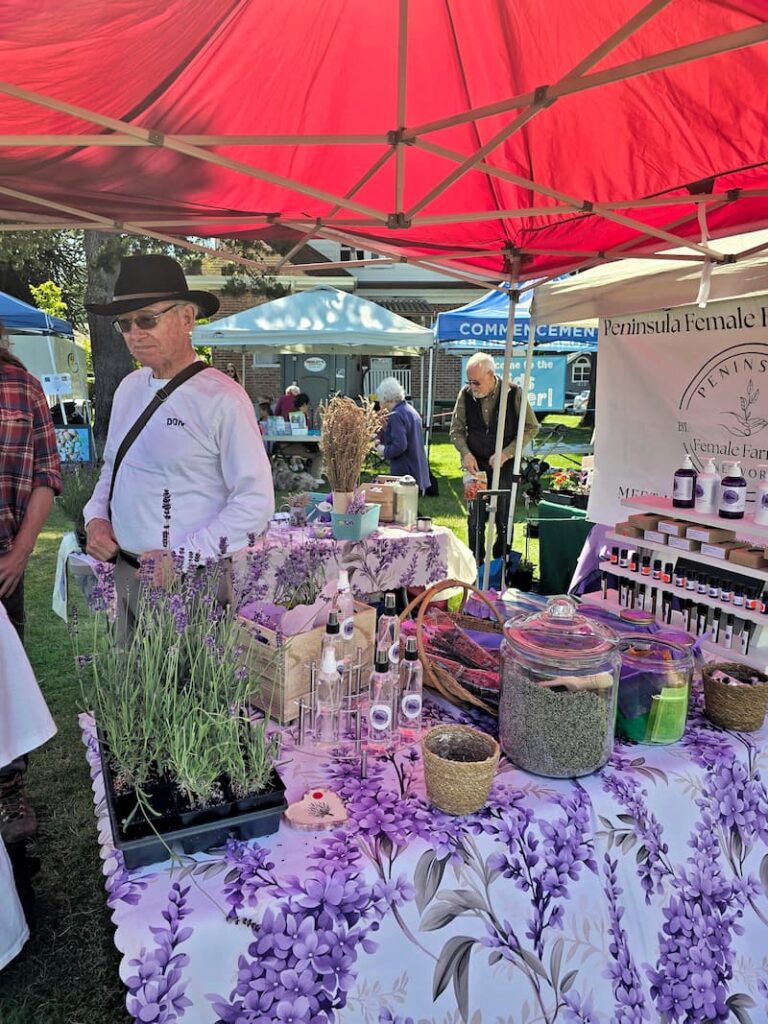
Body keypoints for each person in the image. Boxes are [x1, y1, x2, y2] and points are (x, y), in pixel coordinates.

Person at [83, 254, 274, 635]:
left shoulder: (222, 398)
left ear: (187, 318)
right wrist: (96, 518)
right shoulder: (128, 389)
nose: (134, 333)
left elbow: (255, 502)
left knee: (192, 675)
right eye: (125, 323)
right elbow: (113, 468)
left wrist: (184, 557)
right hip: (127, 571)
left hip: (192, 581)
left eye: (146, 319)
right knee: (129, 672)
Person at [0, 321, 61, 846]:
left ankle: (8, 788)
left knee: (6, 678)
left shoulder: (21, 386)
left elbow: (47, 474)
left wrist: (21, 552)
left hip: (3, 561)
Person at [449, 352, 539, 565]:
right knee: (475, 519)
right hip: (476, 466)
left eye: (477, 382)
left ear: (491, 376)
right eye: (469, 382)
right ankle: (476, 566)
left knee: (504, 518)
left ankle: (501, 564)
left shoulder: (513, 393)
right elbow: (456, 430)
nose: (473, 386)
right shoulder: (465, 394)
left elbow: (531, 427)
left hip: (505, 465)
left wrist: (507, 453)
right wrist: (465, 453)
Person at [374, 377, 430, 490]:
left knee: (402, 501)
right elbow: (406, 437)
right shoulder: (409, 409)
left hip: (405, 471)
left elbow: (400, 445)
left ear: (386, 398)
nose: (379, 403)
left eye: (380, 399)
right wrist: (386, 429)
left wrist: (383, 450)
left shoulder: (396, 415)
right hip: (416, 469)